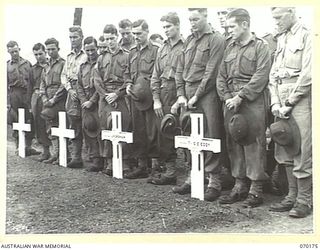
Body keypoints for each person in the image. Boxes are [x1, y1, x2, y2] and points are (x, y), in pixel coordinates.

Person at [216, 8, 272, 207]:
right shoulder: (229, 47)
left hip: (252, 101)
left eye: (232, 26)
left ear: (245, 24)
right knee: (234, 143)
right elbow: (221, 76)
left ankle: (256, 191)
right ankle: (239, 186)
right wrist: (227, 97)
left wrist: (241, 96)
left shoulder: (260, 46)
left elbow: (261, 76)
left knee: (253, 143)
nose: (228, 29)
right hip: (230, 101)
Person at [172, 8, 225, 202]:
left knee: (210, 135)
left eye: (196, 19)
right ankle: (194, 175)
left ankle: (214, 181)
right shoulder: (189, 40)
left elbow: (211, 71)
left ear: (205, 17)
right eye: (190, 19)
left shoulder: (216, 39)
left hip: (206, 94)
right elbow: (179, 68)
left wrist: (197, 95)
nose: (192, 23)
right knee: (189, 135)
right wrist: (180, 95)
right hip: (187, 93)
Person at [268, 7, 312, 218]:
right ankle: (291, 196)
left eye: (279, 17)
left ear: (293, 11)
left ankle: (305, 200)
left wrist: (289, 101)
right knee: (284, 146)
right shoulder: (281, 37)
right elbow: (273, 74)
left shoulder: (307, 34)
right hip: (280, 98)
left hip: (300, 99)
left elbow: (309, 73)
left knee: (302, 149)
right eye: (273, 17)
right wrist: (275, 101)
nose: (276, 21)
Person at [148, 12, 184, 185]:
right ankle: (170, 171)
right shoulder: (162, 48)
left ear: (177, 25)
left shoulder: (186, 46)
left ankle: (195, 173)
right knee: (164, 131)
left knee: (185, 130)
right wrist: (156, 99)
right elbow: (155, 75)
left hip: (181, 92)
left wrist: (181, 96)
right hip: (164, 93)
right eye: (163, 27)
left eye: (169, 26)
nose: (166, 30)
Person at [93, 24, 133, 176]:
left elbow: (129, 77)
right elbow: (96, 80)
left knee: (124, 126)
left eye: (112, 38)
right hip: (105, 97)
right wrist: (106, 96)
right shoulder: (101, 58)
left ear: (117, 37)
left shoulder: (127, 55)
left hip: (121, 96)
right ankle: (109, 162)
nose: (110, 42)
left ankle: (125, 162)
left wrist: (118, 94)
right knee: (106, 126)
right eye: (107, 39)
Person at [125, 19, 159, 179]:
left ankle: (156, 167)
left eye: (139, 33)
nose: (136, 37)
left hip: (151, 97)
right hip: (136, 98)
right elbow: (127, 72)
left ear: (147, 31)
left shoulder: (156, 51)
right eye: (134, 34)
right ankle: (142, 166)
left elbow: (158, 74)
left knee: (153, 132)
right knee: (138, 131)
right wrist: (128, 83)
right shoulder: (132, 52)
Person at [7, 40, 40, 156]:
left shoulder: (27, 63)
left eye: (16, 51)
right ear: (8, 52)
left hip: (26, 93)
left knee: (29, 118)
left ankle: (28, 146)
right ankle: (18, 146)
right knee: (15, 120)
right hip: (14, 94)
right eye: (12, 52)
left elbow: (32, 79)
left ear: (19, 50)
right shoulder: (7, 65)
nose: (14, 54)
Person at [61, 26, 87, 168]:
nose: (72, 40)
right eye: (70, 37)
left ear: (81, 37)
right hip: (72, 93)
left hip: (84, 90)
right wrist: (70, 90)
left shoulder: (86, 54)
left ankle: (91, 157)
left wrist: (80, 90)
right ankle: (77, 156)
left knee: (88, 124)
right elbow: (64, 75)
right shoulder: (69, 56)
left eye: (75, 37)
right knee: (74, 124)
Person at [39, 38, 67, 164]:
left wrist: (54, 99)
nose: (50, 52)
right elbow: (42, 84)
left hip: (59, 100)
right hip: (48, 100)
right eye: (48, 49)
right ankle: (55, 154)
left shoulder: (63, 64)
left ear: (58, 49)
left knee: (62, 126)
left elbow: (64, 84)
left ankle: (65, 154)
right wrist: (45, 98)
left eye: (53, 49)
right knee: (50, 127)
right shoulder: (46, 66)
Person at [76, 36, 102, 172]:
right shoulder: (83, 66)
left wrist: (92, 101)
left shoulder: (101, 62)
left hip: (97, 101)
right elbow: (79, 85)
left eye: (93, 49)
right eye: (87, 50)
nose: (91, 53)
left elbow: (101, 85)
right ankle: (94, 158)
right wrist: (83, 101)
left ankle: (103, 159)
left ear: (97, 48)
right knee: (88, 129)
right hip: (85, 102)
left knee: (100, 130)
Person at [30, 43, 51, 161]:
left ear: (45, 52)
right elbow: (30, 86)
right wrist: (30, 103)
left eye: (40, 54)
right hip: (38, 98)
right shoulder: (33, 69)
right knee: (39, 123)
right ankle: (45, 151)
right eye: (36, 55)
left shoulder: (51, 65)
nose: (38, 57)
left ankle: (59, 152)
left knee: (52, 123)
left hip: (50, 97)